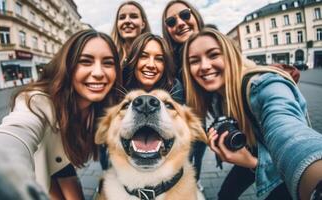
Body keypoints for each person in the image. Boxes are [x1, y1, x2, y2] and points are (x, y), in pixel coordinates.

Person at [0, 29, 122, 200]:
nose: (98, 73)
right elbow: (16, 130)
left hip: (62, 164)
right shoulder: (37, 101)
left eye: (108, 63)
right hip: (41, 170)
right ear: (68, 65)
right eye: (85, 61)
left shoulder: (103, 106)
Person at [182, 28, 322, 200]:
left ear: (231, 55)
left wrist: (316, 181)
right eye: (194, 61)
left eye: (213, 55)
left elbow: (289, 133)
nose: (204, 66)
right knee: (225, 194)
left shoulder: (264, 86)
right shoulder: (215, 97)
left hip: (285, 171)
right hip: (251, 153)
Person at [162, 0, 206, 189]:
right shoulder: (169, 60)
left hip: (204, 121)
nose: (180, 23)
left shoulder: (218, 45)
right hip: (180, 131)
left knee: (199, 158)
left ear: (195, 15)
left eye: (185, 15)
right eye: (171, 22)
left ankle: (196, 180)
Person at [123, 32, 183, 104]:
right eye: (143, 56)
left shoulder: (175, 88)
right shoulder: (120, 85)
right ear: (133, 59)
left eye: (159, 59)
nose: (151, 65)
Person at [111, 0, 151, 65]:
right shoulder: (110, 54)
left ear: (143, 24)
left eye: (134, 16)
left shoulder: (155, 53)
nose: (127, 21)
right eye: (122, 17)